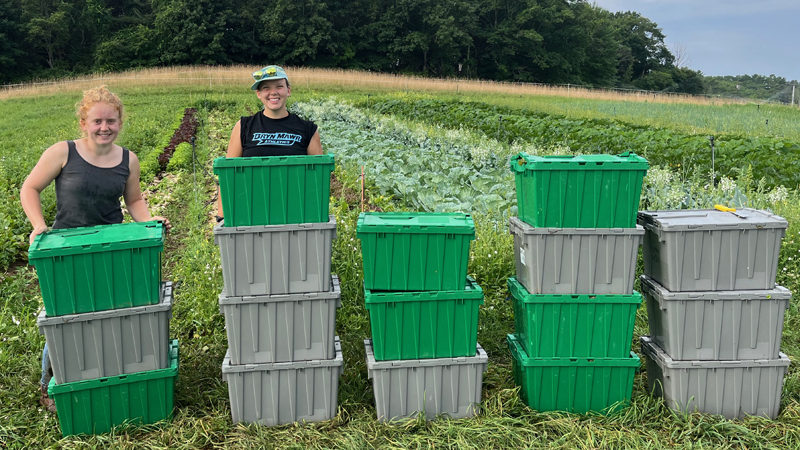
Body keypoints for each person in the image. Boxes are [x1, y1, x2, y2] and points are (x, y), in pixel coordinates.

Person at [19, 85, 170, 412]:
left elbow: (134, 200)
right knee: (64, 316)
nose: (105, 127)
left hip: (110, 247)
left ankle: (105, 369)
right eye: (97, 121)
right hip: (66, 248)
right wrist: (37, 224)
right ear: (84, 122)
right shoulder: (63, 152)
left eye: (111, 121)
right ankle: (50, 382)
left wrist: (148, 221)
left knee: (108, 311)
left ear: (120, 122)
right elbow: (30, 187)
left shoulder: (128, 160)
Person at [216, 65, 323, 222]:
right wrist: (222, 215)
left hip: (295, 213)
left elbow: (317, 179)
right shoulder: (244, 126)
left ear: (288, 90)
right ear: (259, 94)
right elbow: (228, 175)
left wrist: (315, 215)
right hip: (249, 211)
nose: (273, 92)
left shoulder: (307, 129)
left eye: (279, 86)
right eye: (266, 88)